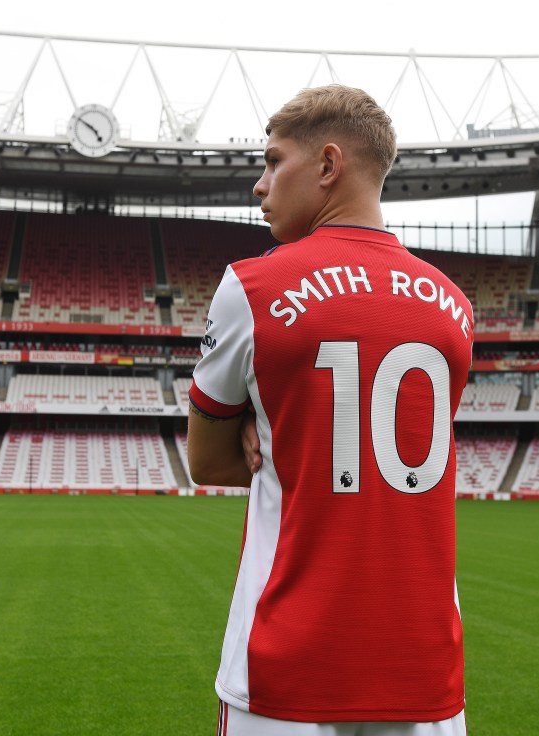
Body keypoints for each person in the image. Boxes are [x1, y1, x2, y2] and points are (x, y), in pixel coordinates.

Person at [187, 84, 473, 736]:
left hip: (286, 663)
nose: (259, 185)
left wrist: (268, 440)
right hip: (423, 666)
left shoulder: (251, 287)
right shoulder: (454, 306)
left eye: (271, 162)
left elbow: (206, 461)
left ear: (326, 165)